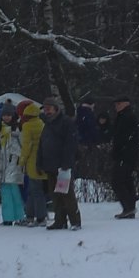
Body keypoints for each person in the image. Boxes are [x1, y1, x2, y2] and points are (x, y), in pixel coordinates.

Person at [37, 96, 81, 230]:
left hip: (63, 167)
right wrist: (39, 163)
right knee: (55, 196)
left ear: (56, 108)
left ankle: (75, 221)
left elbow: (70, 145)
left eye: (49, 108)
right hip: (50, 166)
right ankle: (59, 221)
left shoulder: (66, 122)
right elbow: (41, 145)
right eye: (45, 109)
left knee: (67, 195)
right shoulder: (47, 124)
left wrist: (66, 164)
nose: (46, 111)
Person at [18, 103, 47, 227]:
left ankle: (39, 217)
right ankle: (30, 215)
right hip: (43, 161)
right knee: (35, 190)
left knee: (35, 191)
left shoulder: (27, 126)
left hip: (32, 162)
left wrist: (21, 161)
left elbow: (27, 146)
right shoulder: (42, 124)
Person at [110, 95, 139, 219]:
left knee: (118, 181)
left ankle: (128, 207)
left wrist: (120, 149)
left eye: (118, 104)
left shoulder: (127, 117)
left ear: (125, 104)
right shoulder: (123, 116)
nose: (116, 106)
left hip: (125, 154)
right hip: (126, 154)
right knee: (126, 181)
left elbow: (124, 137)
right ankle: (129, 208)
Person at [0, 103, 25, 225]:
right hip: (2, 162)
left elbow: (23, 144)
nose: (6, 118)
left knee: (15, 190)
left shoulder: (18, 128)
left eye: (9, 115)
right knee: (5, 191)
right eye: (4, 115)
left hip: (14, 161)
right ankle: (7, 217)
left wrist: (20, 158)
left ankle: (19, 216)